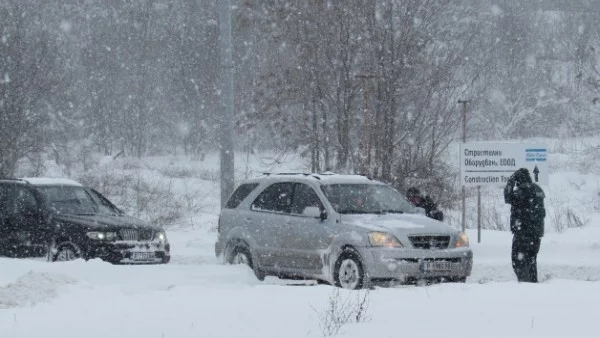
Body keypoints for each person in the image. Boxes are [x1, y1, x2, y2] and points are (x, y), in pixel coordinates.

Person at [504, 168, 546, 283]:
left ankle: (525, 285)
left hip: (522, 233)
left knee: (518, 261)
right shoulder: (538, 190)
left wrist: (511, 180)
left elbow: (507, 196)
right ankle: (532, 282)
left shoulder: (520, 193)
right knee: (532, 260)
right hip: (536, 234)